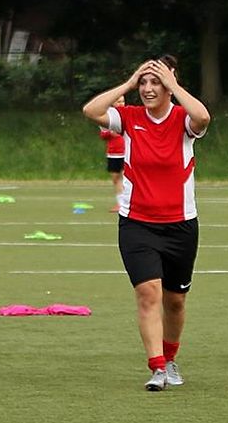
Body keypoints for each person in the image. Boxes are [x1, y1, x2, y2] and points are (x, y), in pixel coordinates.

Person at [82, 54, 211, 391]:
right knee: (147, 293)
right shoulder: (128, 117)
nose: (149, 89)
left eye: (156, 82)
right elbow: (91, 111)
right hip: (137, 223)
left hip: (180, 224)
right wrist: (127, 83)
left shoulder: (183, 120)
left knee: (175, 300)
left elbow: (203, 116)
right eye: (145, 82)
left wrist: (173, 85)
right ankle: (156, 368)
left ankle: (170, 359)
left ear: (169, 85)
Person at [98, 95, 126, 212]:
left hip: (126, 152)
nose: (121, 104)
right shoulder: (108, 117)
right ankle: (120, 203)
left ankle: (129, 203)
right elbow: (103, 134)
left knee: (127, 178)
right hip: (113, 153)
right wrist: (110, 133)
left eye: (123, 101)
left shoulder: (128, 115)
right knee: (116, 178)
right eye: (118, 101)